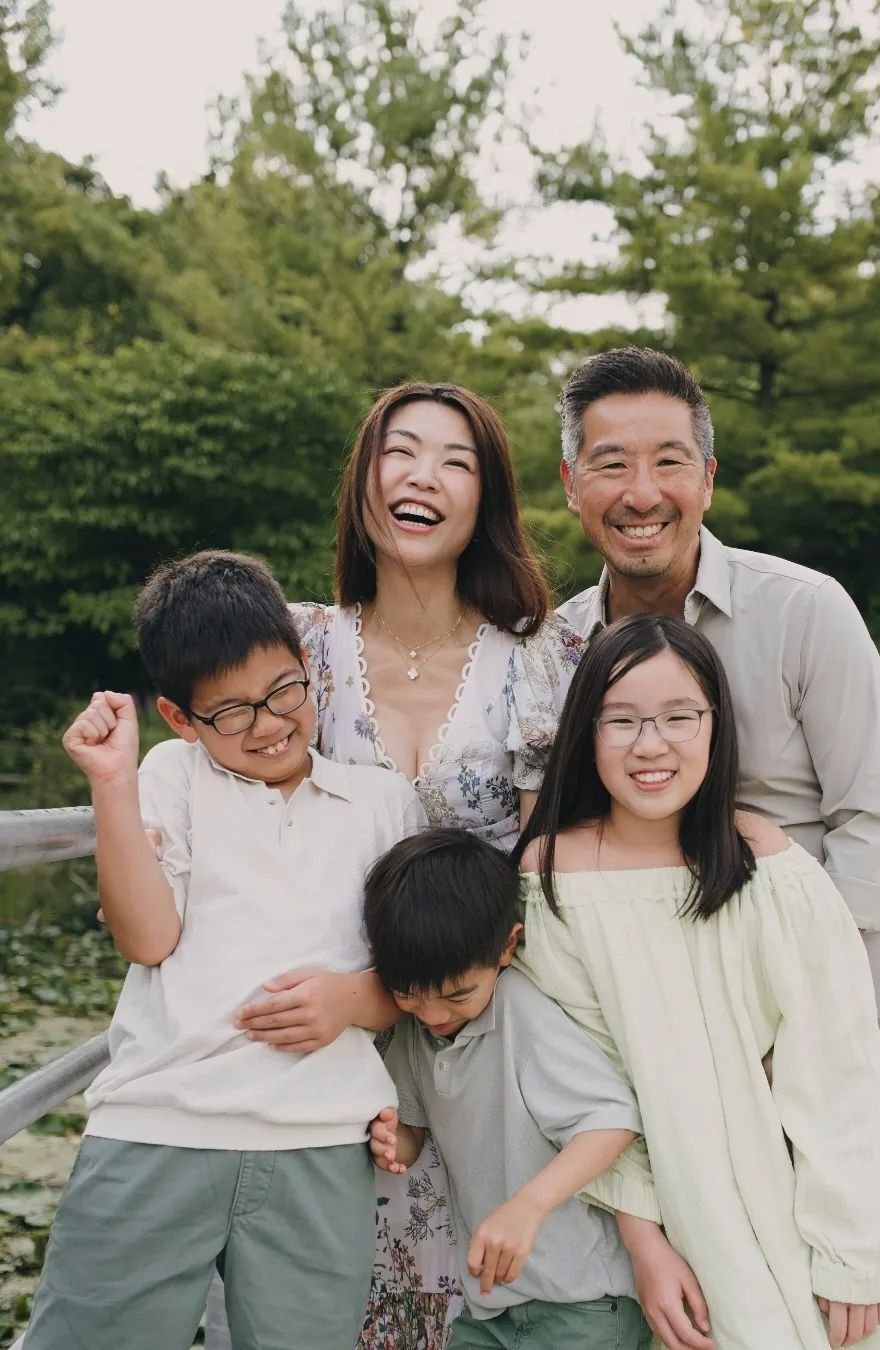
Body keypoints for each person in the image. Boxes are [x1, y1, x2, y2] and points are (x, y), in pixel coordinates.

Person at [555, 346, 880, 1348]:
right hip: (680, 1018)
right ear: (572, 483)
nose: (641, 492)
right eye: (610, 463)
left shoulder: (804, 608)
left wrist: (791, 1004)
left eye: (669, 460)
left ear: (708, 477)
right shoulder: (558, 646)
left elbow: (868, 833)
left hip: (856, 982)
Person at [23, 551, 424, 1350]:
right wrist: (112, 783)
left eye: (283, 692)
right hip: (157, 1126)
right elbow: (147, 938)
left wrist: (349, 999)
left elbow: (416, 983)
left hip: (319, 1142)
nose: (270, 724)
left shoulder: (383, 803)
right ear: (181, 718)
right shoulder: (171, 773)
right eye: (232, 712)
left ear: (307, 669)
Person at [515, 614, 880, 1350]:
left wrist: (853, 1251)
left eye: (679, 718)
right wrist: (646, 1243)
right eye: (623, 721)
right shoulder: (554, 875)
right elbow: (586, 1077)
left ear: (715, 725)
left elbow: (838, 1068)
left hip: (794, 1196)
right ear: (587, 730)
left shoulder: (767, 865)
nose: (652, 745)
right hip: (668, 1211)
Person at [281, 382, 584, 1345]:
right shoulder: (303, 650)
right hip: (322, 1046)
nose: (424, 476)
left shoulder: (542, 656)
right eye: (400, 452)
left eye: (457, 461)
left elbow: (547, 870)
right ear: (364, 482)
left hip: (478, 1047)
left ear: (485, 501)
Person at [362, 827, 654, 1350]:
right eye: (409, 995)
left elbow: (612, 1121)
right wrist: (391, 1142)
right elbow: (413, 1130)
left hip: (580, 1303)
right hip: (491, 1306)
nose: (433, 1014)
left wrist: (528, 1206)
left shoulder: (521, 1013)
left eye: (456, 995)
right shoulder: (417, 1028)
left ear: (507, 947)